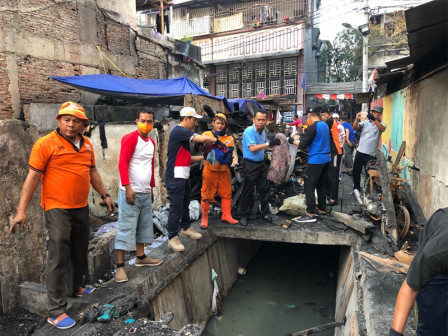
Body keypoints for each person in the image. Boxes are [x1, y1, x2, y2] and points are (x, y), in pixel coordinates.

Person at [9, 101, 116, 330]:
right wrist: (21, 211)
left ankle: (75, 287)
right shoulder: (45, 144)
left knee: (79, 248)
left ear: (83, 125)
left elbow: (92, 172)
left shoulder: (87, 144)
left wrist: (105, 195)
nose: (70, 124)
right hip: (56, 206)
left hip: (80, 205)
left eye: (75, 120)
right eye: (66, 119)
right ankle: (56, 310)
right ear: (58, 121)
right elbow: (32, 178)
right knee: (58, 252)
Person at [115, 110, 163, 284]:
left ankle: (141, 257)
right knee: (126, 227)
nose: (146, 124)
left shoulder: (151, 142)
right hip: (130, 191)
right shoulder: (130, 138)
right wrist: (127, 188)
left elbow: (150, 166)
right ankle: (120, 266)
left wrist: (151, 187)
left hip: (144, 191)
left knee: (143, 226)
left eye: (149, 121)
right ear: (136, 121)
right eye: (143, 120)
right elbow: (123, 162)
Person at [165, 107, 220, 252]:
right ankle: (172, 237)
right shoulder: (180, 131)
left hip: (183, 175)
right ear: (187, 118)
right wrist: (216, 140)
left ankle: (186, 228)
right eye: (194, 119)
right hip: (175, 176)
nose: (195, 123)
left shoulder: (181, 137)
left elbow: (187, 158)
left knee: (184, 204)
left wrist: (203, 157)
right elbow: (201, 138)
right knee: (176, 207)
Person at [389, 208, 448, 336]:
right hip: (439, 268)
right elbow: (409, 289)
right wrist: (395, 333)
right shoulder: (436, 253)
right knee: (432, 324)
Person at [238, 110, 281, 226]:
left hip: (261, 164)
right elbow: (253, 148)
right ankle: (244, 215)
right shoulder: (249, 131)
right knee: (248, 190)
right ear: (254, 120)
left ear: (266, 121)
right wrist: (268, 144)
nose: (261, 122)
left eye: (263, 120)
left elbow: (265, 144)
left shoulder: (262, 132)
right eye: (259, 120)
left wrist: (272, 148)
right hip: (250, 165)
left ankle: (265, 213)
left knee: (264, 189)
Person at [288, 109, 330, 222]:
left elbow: (302, 145)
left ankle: (310, 214)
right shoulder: (325, 125)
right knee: (321, 185)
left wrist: (291, 140)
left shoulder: (312, 126)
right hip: (326, 159)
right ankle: (321, 210)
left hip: (316, 160)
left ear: (310, 115)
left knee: (309, 186)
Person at [200, 113, 238, 229]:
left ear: (225, 125)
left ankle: (226, 215)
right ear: (213, 123)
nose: (220, 126)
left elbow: (226, 155)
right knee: (206, 193)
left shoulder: (229, 139)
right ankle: (204, 218)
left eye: (222, 123)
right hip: (209, 170)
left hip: (223, 171)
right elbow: (199, 146)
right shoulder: (206, 134)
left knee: (227, 193)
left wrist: (215, 145)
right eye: (218, 123)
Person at [352, 106, 386, 193]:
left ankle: (369, 191)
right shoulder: (366, 123)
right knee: (356, 171)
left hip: (370, 154)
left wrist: (375, 120)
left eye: (376, 112)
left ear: (380, 114)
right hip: (360, 152)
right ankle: (356, 188)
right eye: (373, 112)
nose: (374, 113)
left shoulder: (382, 124)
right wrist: (357, 119)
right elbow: (355, 127)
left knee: (370, 174)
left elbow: (382, 129)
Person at [320, 108, 342, 206]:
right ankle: (329, 195)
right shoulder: (328, 122)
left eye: (324, 115)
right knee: (329, 175)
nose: (323, 117)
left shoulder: (329, 121)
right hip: (330, 153)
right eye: (321, 116)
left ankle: (333, 198)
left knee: (333, 176)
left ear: (330, 115)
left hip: (335, 152)